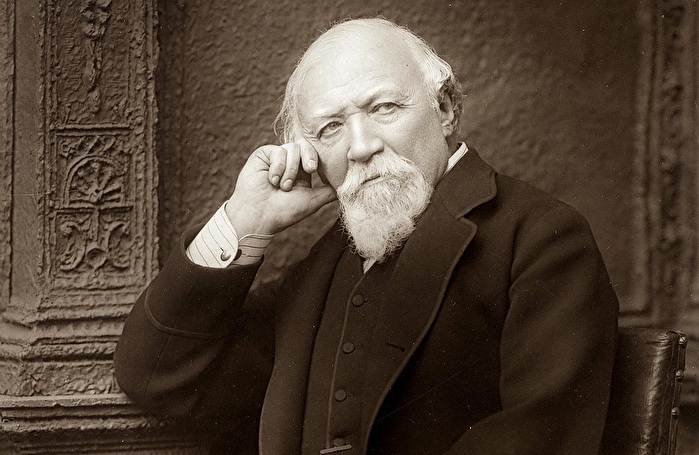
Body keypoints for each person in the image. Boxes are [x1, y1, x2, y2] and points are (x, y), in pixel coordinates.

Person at [115, 17, 619, 455]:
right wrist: (247, 220)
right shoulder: (323, 267)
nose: (360, 147)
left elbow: (539, 439)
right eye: (331, 128)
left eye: (383, 108)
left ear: (445, 108)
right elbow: (156, 377)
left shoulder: (542, 238)